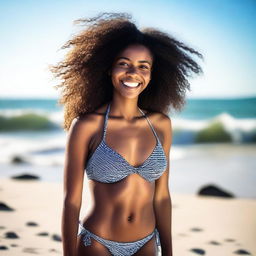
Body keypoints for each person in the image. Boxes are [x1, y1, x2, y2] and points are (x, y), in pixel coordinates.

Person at [52, 12, 203, 256]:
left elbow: (162, 196)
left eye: (143, 66)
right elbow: (71, 201)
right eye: (124, 63)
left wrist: (169, 251)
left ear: (152, 74)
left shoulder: (161, 124)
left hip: (146, 243)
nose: (133, 72)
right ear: (109, 68)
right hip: (97, 243)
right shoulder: (87, 125)